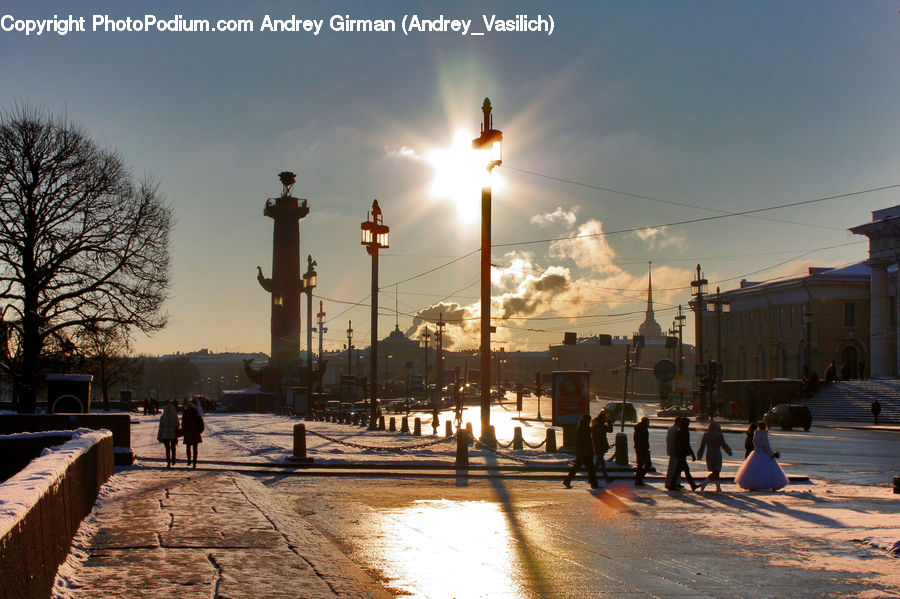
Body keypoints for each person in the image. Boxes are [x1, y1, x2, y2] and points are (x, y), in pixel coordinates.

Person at [734, 421, 788, 491]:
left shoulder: (755, 434)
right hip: (763, 454)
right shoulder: (763, 434)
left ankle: (753, 485)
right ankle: (772, 485)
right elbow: (766, 446)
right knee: (768, 470)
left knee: (754, 470)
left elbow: (755, 444)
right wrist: (772, 454)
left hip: (756, 453)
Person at [563, 414, 600, 489]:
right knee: (590, 470)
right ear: (586, 420)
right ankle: (594, 484)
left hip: (582, 452)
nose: (589, 422)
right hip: (585, 453)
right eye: (588, 420)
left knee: (577, 468)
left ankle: (567, 480)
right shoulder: (584, 428)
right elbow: (587, 440)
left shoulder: (581, 427)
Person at [697, 421, 732, 492]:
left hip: (709, 454)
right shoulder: (719, 435)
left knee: (715, 471)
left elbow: (702, 446)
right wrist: (729, 452)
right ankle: (705, 484)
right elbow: (723, 444)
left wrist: (699, 455)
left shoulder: (706, 434)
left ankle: (718, 487)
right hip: (717, 454)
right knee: (716, 471)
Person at [670, 417, 698, 491]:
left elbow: (676, 443)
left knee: (682, 470)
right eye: (688, 423)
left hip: (679, 453)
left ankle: (692, 485)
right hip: (682, 453)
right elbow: (687, 444)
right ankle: (672, 485)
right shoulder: (685, 431)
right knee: (681, 470)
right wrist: (692, 454)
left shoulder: (678, 431)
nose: (688, 425)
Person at [181, 399, 205, 468]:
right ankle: (194, 462)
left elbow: (183, 424)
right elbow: (201, 423)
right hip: (195, 432)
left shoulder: (185, 413)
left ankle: (189, 460)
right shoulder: (196, 413)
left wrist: (184, 430)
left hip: (188, 432)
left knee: (188, 448)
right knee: (195, 449)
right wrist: (200, 431)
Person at [590, 410, 613, 483]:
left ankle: (605, 478)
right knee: (599, 463)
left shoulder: (596, 425)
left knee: (600, 464)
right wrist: (609, 422)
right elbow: (610, 430)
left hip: (598, 446)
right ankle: (594, 478)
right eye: (604, 418)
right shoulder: (600, 426)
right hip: (600, 446)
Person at [157, 400, 180, 468]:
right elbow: (178, 425)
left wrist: (159, 435)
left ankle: (168, 461)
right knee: (173, 447)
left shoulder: (163, 416)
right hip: (173, 433)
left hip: (165, 434)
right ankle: (173, 459)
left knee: (167, 448)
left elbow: (161, 426)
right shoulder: (175, 416)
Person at [633, 417, 651, 486]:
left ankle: (639, 479)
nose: (649, 423)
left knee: (640, 465)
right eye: (648, 422)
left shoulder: (639, 428)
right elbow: (643, 440)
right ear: (645, 422)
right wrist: (645, 449)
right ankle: (639, 479)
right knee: (647, 464)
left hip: (639, 449)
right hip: (643, 449)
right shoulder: (643, 429)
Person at [664, 418, 681, 489]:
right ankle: (674, 482)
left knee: (672, 467)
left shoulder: (670, 429)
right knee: (676, 467)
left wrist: (669, 449)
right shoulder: (677, 430)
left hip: (672, 449)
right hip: (677, 450)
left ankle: (671, 482)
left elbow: (668, 440)